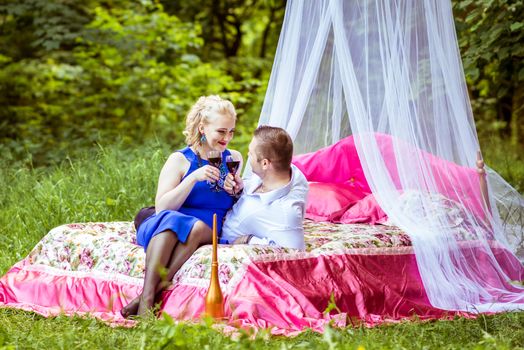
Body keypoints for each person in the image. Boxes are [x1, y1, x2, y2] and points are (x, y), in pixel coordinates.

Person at [121, 95, 243, 317]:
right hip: (170, 226)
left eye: (231, 131)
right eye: (221, 131)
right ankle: (147, 303)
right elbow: (162, 207)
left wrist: (236, 190)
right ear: (202, 127)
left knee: (193, 227)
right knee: (171, 222)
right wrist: (193, 178)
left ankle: (146, 297)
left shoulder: (234, 158)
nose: (227, 137)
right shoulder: (179, 159)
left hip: (208, 228)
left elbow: (236, 202)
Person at [220, 125, 309, 250]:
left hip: (223, 243)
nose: (247, 155)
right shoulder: (281, 173)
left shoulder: (285, 212)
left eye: (251, 153)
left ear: (265, 163)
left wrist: (249, 240)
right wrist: (240, 189)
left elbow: (296, 252)